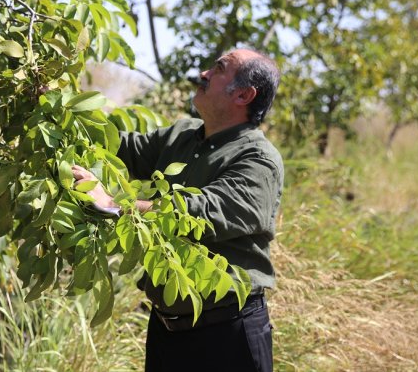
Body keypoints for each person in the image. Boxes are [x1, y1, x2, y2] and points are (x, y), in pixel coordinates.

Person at [72, 48, 284, 372]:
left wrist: (114, 205)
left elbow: (199, 213)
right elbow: (120, 146)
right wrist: (60, 107)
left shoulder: (258, 160)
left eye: (218, 68)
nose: (204, 74)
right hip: (167, 329)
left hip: (226, 335)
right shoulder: (183, 135)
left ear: (244, 94)